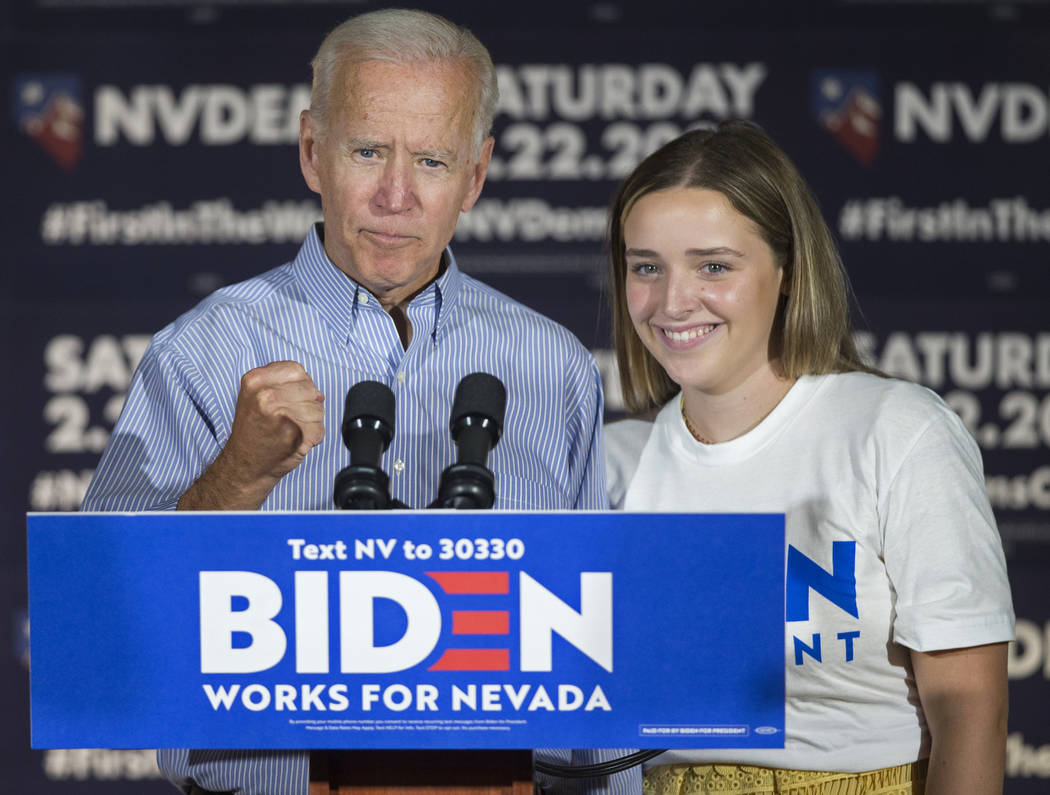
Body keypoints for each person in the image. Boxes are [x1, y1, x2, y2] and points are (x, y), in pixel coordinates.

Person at [81, 9, 635, 795]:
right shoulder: (201, 352)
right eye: (368, 150)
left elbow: (594, 665)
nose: (396, 195)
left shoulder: (555, 365)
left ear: (476, 175)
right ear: (313, 151)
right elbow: (100, 636)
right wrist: (234, 479)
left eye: (433, 161)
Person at [603, 120, 1014, 795]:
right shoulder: (609, 463)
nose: (673, 301)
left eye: (714, 265)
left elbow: (970, 707)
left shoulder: (896, 428)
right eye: (647, 266)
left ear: (787, 272)